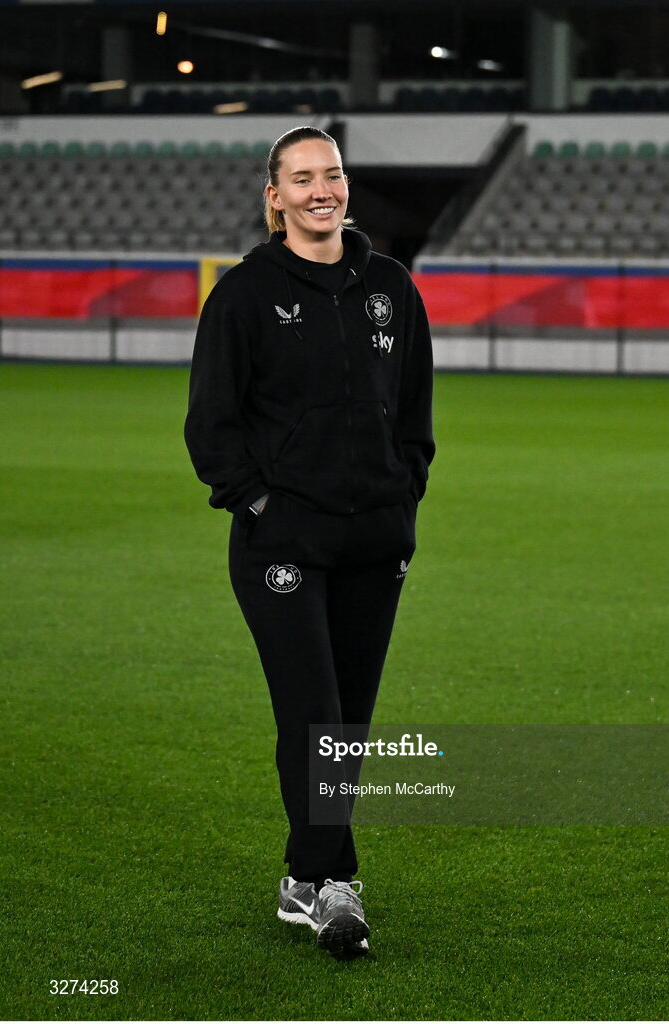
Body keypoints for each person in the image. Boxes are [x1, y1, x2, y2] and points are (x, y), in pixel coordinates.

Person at [184, 126, 434, 958]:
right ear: (275, 196)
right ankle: (333, 886)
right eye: (303, 177)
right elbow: (211, 426)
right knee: (316, 715)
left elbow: (415, 417)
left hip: (374, 541)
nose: (322, 188)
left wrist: (401, 498)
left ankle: (304, 876)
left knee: (350, 724)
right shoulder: (245, 295)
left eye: (332, 173)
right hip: (281, 542)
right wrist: (259, 504)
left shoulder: (393, 288)